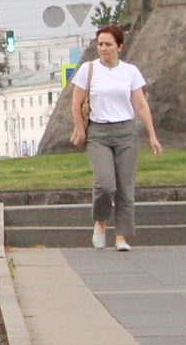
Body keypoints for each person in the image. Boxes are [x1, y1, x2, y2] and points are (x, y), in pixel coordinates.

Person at [67, 24, 162, 250]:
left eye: (108, 44)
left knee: (125, 187)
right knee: (105, 184)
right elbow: (76, 103)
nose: (103, 48)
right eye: (100, 44)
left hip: (125, 132)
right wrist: (80, 130)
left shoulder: (130, 71)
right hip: (99, 133)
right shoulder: (88, 69)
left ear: (120, 46)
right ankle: (100, 223)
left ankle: (122, 236)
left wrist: (152, 135)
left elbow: (140, 104)